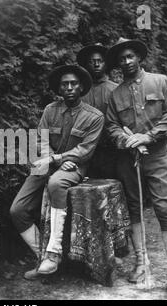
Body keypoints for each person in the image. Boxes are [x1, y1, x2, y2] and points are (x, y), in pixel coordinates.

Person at [10, 65, 104, 279]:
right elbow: (41, 140)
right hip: (48, 163)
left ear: (81, 87)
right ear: (59, 89)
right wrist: (54, 160)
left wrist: (59, 159)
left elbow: (85, 150)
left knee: (56, 183)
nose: (69, 88)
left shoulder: (94, 117)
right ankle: (43, 257)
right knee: (17, 210)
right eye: (65, 84)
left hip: (75, 167)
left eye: (74, 84)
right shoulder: (50, 110)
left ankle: (54, 254)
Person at [105, 37, 167, 296]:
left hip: (157, 155)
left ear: (139, 57)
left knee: (163, 206)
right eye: (122, 58)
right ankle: (141, 262)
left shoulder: (159, 81)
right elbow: (112, 125)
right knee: (134, 207)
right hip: (129, 159)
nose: (126, 62)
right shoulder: (115, 94)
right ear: (117, 63)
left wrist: (148, 136)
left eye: (130, 56)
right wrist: (126, 139)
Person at [77, 43, 118, 178]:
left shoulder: (116, 89)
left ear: (106, 64)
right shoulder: (80, 92)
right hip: (85, 149)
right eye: (91, 62)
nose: (96, 65)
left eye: (100, 61)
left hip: (111, 150)